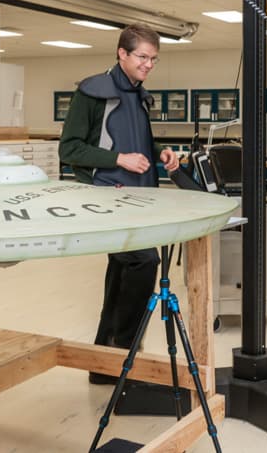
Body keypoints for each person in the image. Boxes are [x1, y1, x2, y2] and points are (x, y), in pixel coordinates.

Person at [58, 23, 180, 384]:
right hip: (108, 197)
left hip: (139, 196)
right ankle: (125, 355)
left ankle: (105, 362)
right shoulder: (93, 92)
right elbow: (70, 148)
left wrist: (161, 153)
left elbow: (138, 143)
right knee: (144, 263)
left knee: (120, 275)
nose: (148, 65)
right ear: (121, 53)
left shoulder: (139, 95)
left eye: (154, 59)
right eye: (142, 57)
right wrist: (119, 161)